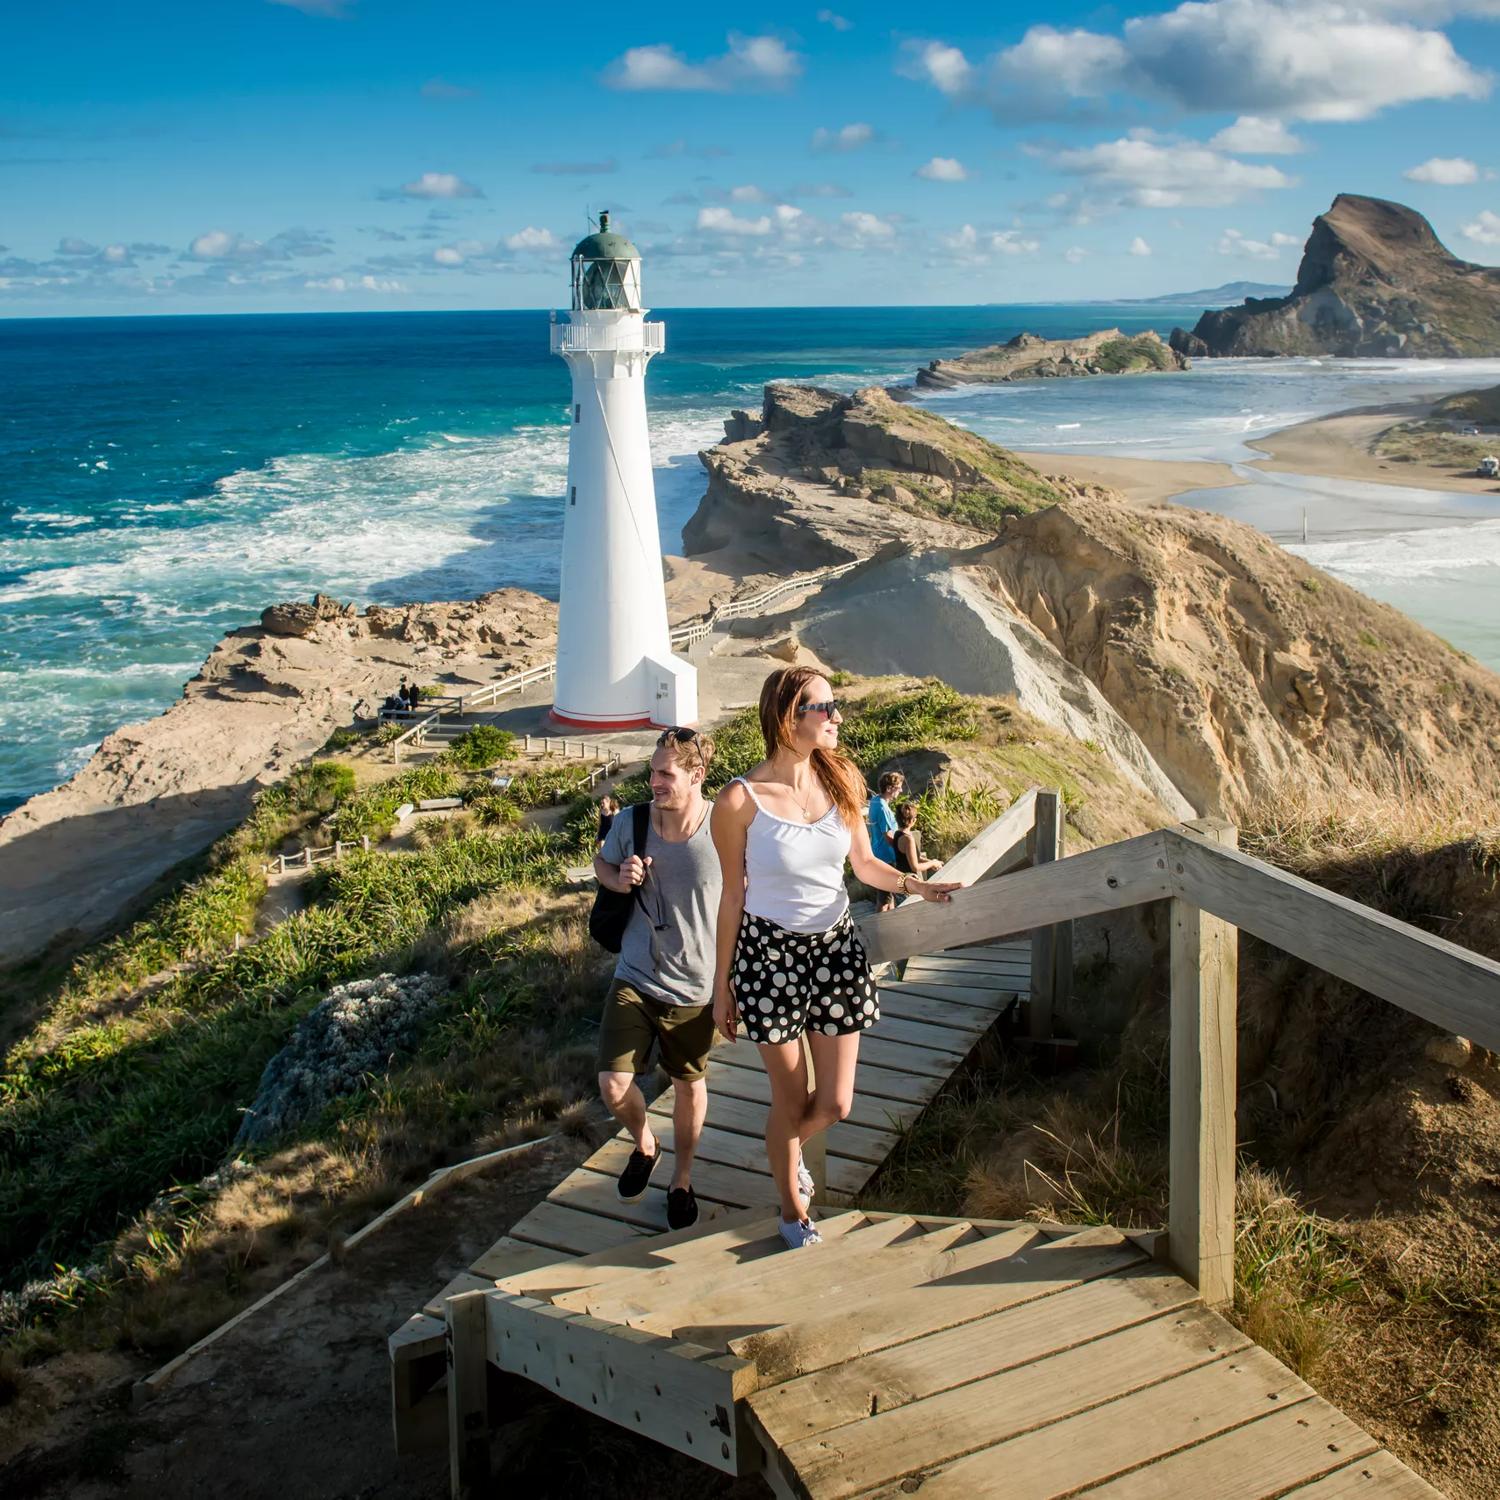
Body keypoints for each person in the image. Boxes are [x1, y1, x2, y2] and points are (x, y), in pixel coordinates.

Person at [710, 669, 959, 1250]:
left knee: (837, 1103)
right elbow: (731, 897)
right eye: (825, 707)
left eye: (835, 705)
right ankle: (793, 1211)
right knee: (791, 1099)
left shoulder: (842, 775)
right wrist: (723, 988)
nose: (837, 716)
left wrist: (917, 886)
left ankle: (783, 1148)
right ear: (788, 716)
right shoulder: (738, 800)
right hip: (768, 957)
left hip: (837, 952)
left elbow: (865, 866)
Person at [594, 728, 720, 1231]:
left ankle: (682, 1179)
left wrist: (731, 983)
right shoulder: (632, 820)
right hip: (636, 974)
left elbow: (742, 903)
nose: (654, 781)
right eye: (652, 770)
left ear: (697, 775)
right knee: (612, 1083)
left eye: (666, 773)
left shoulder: (724, 829)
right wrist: (617, 876)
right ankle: (646, 1143)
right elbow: (600, 864)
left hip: (696, 987)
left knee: (689, 1086)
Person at [867, 771, 904, 913]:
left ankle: (890, 921)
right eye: (898, 787)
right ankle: (879, 927)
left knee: (888, 894)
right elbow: (888, 836)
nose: (901, 790)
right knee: (884, 898)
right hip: (886, 856)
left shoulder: (875, 801)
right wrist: (903, 851)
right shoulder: (882, 808)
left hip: (878, 852)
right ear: (889, 788)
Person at [893, 801, 943, 882]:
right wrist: (932, 863)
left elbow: (916, 858)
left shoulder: (897, 834)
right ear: (912, 820)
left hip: (900, 879)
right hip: (909, 881)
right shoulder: (908, 839)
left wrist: (933, 862)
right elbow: (915, 867)